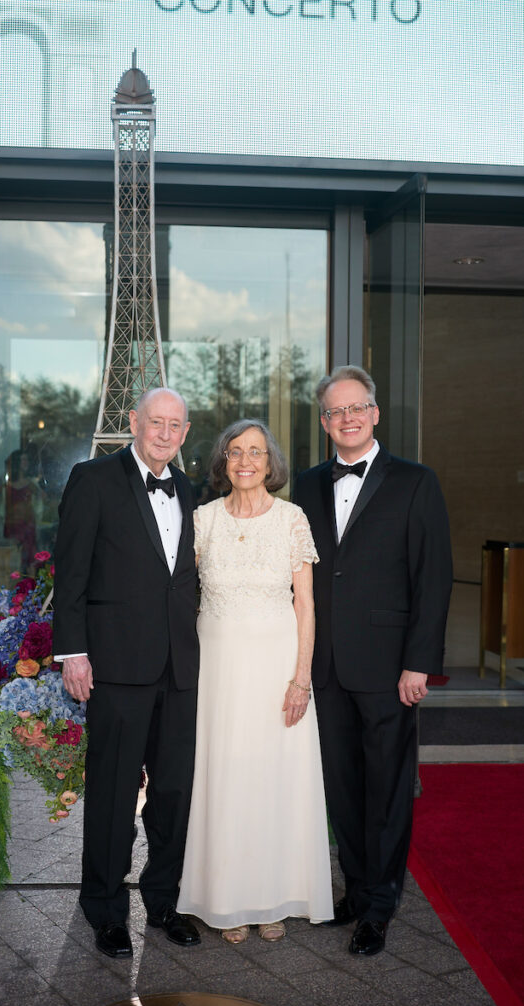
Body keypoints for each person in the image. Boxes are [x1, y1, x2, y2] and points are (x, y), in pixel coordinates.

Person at [294, 366, 452, 957]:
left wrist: (419, 664)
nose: (348, 418)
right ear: (325, 421)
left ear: (375, 413)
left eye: (357, 407)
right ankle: (356, 891)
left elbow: (431, 581)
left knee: (386, 789)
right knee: (342, 786)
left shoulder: (416, 482)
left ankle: (381, 907)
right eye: (336, 411)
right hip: (326, 665)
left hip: (389, 666)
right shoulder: (307, 486)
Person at [53, 388, 201, 959]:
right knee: (113, 793)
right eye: (155, 422)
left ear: (185, 433)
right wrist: (74, 653)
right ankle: (106, 910)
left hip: (179, 669)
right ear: (133, 423)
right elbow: (71, 576)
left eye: (175, 425)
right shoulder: (92, 479)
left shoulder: (188, 487)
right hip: (114, 666)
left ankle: (163, 902)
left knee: (172, 792)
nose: (164, 433)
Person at [177, 420, 333, 943]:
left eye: (257, 453)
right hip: (218, 674)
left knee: (273, 780)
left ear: (271, 463)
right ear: (223, 462)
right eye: (236, 452)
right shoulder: (201, 521)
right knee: (225, 780)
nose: (246, 461)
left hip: (277, 671)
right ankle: (226, 897)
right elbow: (178, 597)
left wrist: (301, 679)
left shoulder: (292, 520)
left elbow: (307, 606)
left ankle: (271, 896)